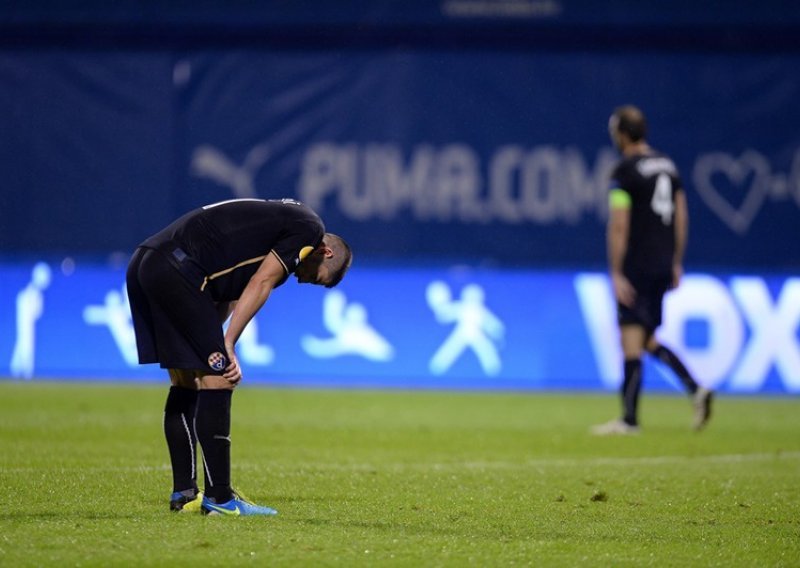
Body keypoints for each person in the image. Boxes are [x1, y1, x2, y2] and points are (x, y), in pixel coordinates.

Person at [126, 197, 352, 514]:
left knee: (185, 379)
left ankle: (185, 494)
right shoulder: (310, 229)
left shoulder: (275, 226)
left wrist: (209, 343)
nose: (304, 280)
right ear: (325, 252)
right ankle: (220, 500)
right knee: (219, 379)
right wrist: (227, 346)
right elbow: (262, 282)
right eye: (316, 276)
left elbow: (227, 293)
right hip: (181, 270)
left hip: (146, 262)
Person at [591, 106, 712, 436]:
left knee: (631, 339)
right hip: (661, 262)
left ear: (621, 134)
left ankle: (629, 420)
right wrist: (675, 260)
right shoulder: (669, 167)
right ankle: (695, 389)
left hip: (637, 262)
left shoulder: (624, 172)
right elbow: (682, 217)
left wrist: (616, 272)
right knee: (646, 338)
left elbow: (619, 223)